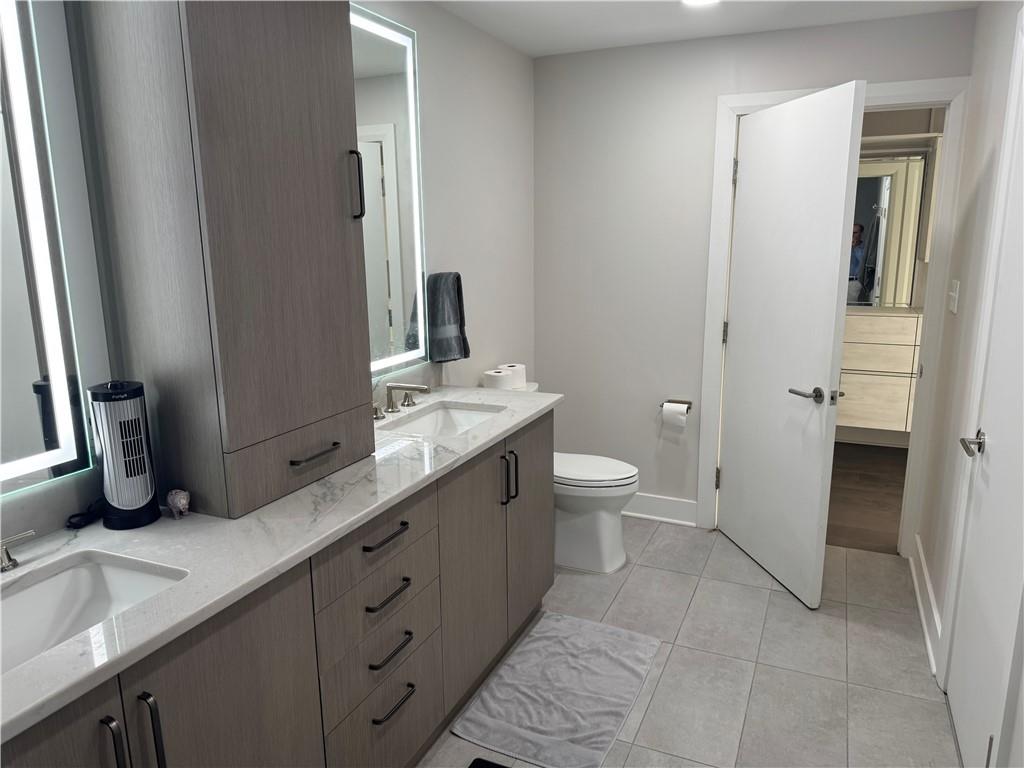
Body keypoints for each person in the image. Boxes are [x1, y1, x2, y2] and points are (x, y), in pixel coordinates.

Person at [848, 222, 866, 303]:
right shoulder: (844, 246)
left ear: (861, 233)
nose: (852, 235)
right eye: (851, 232)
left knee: (850, 308)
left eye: (855, 233)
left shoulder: (864, 248)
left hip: (854, 282)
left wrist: (855, 247)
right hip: (841, 281)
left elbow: (863, 262)